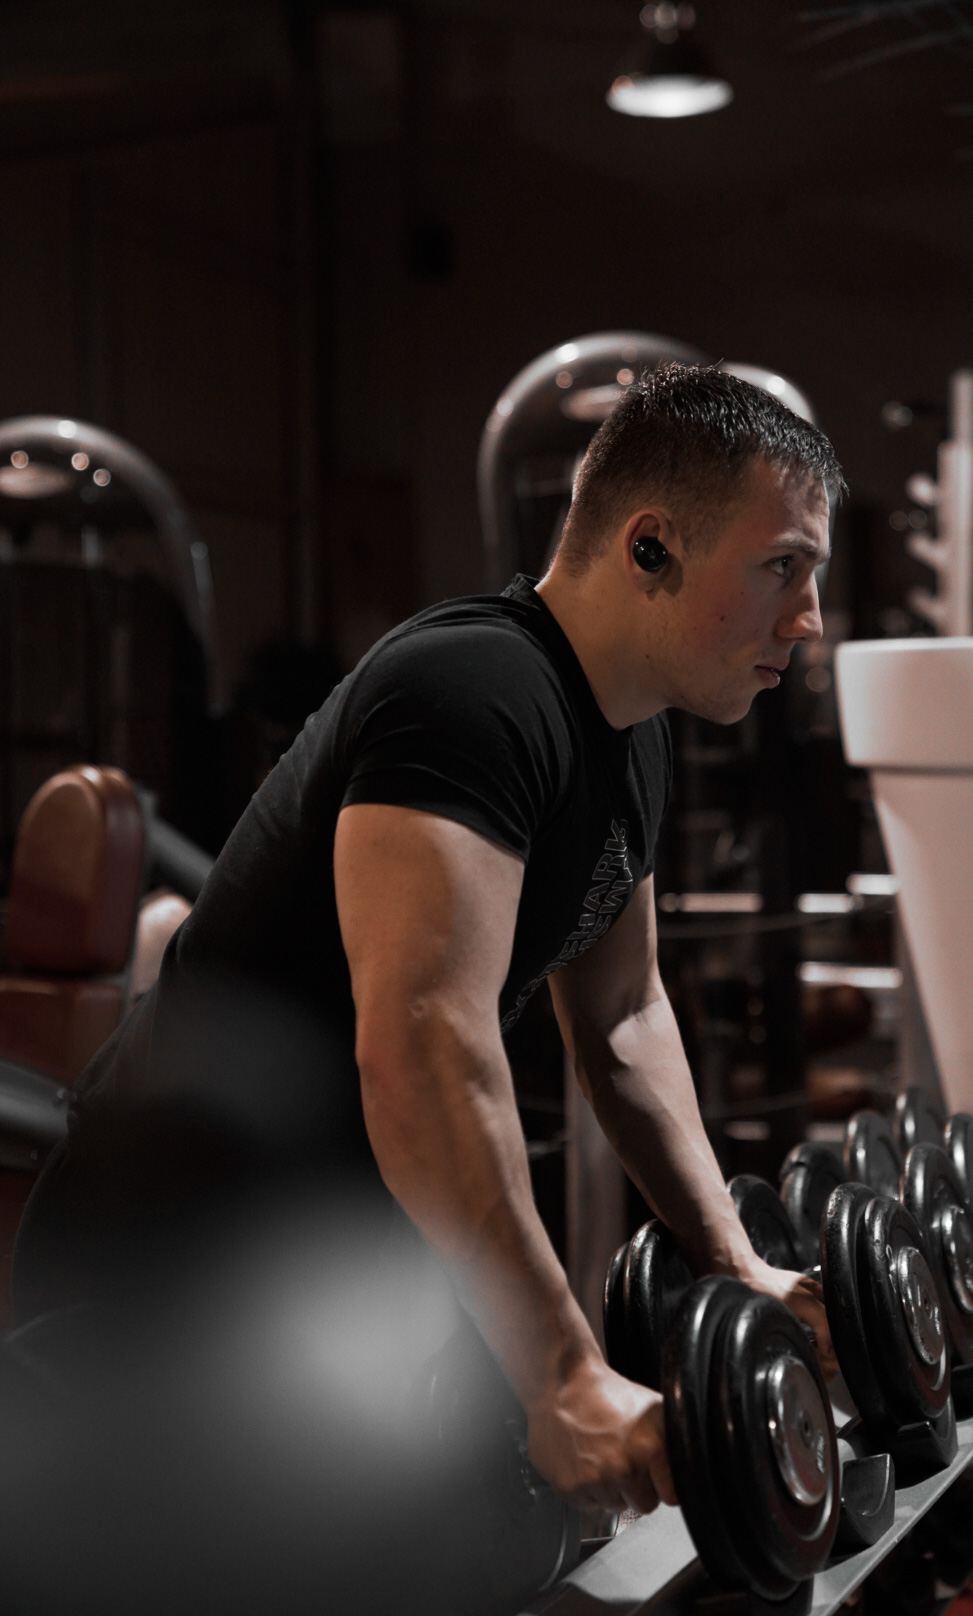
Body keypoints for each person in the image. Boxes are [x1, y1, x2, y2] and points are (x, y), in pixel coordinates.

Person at [16, 364, 843, 1522]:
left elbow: (623, 1015)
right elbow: (422, 1043)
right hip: (172, 1251)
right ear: (650, 546)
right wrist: (562, 1376)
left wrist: (733, 1258)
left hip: (333, 1251)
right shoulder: (474, 692)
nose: (808, 617)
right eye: (782, 567)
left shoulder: (638, 736)